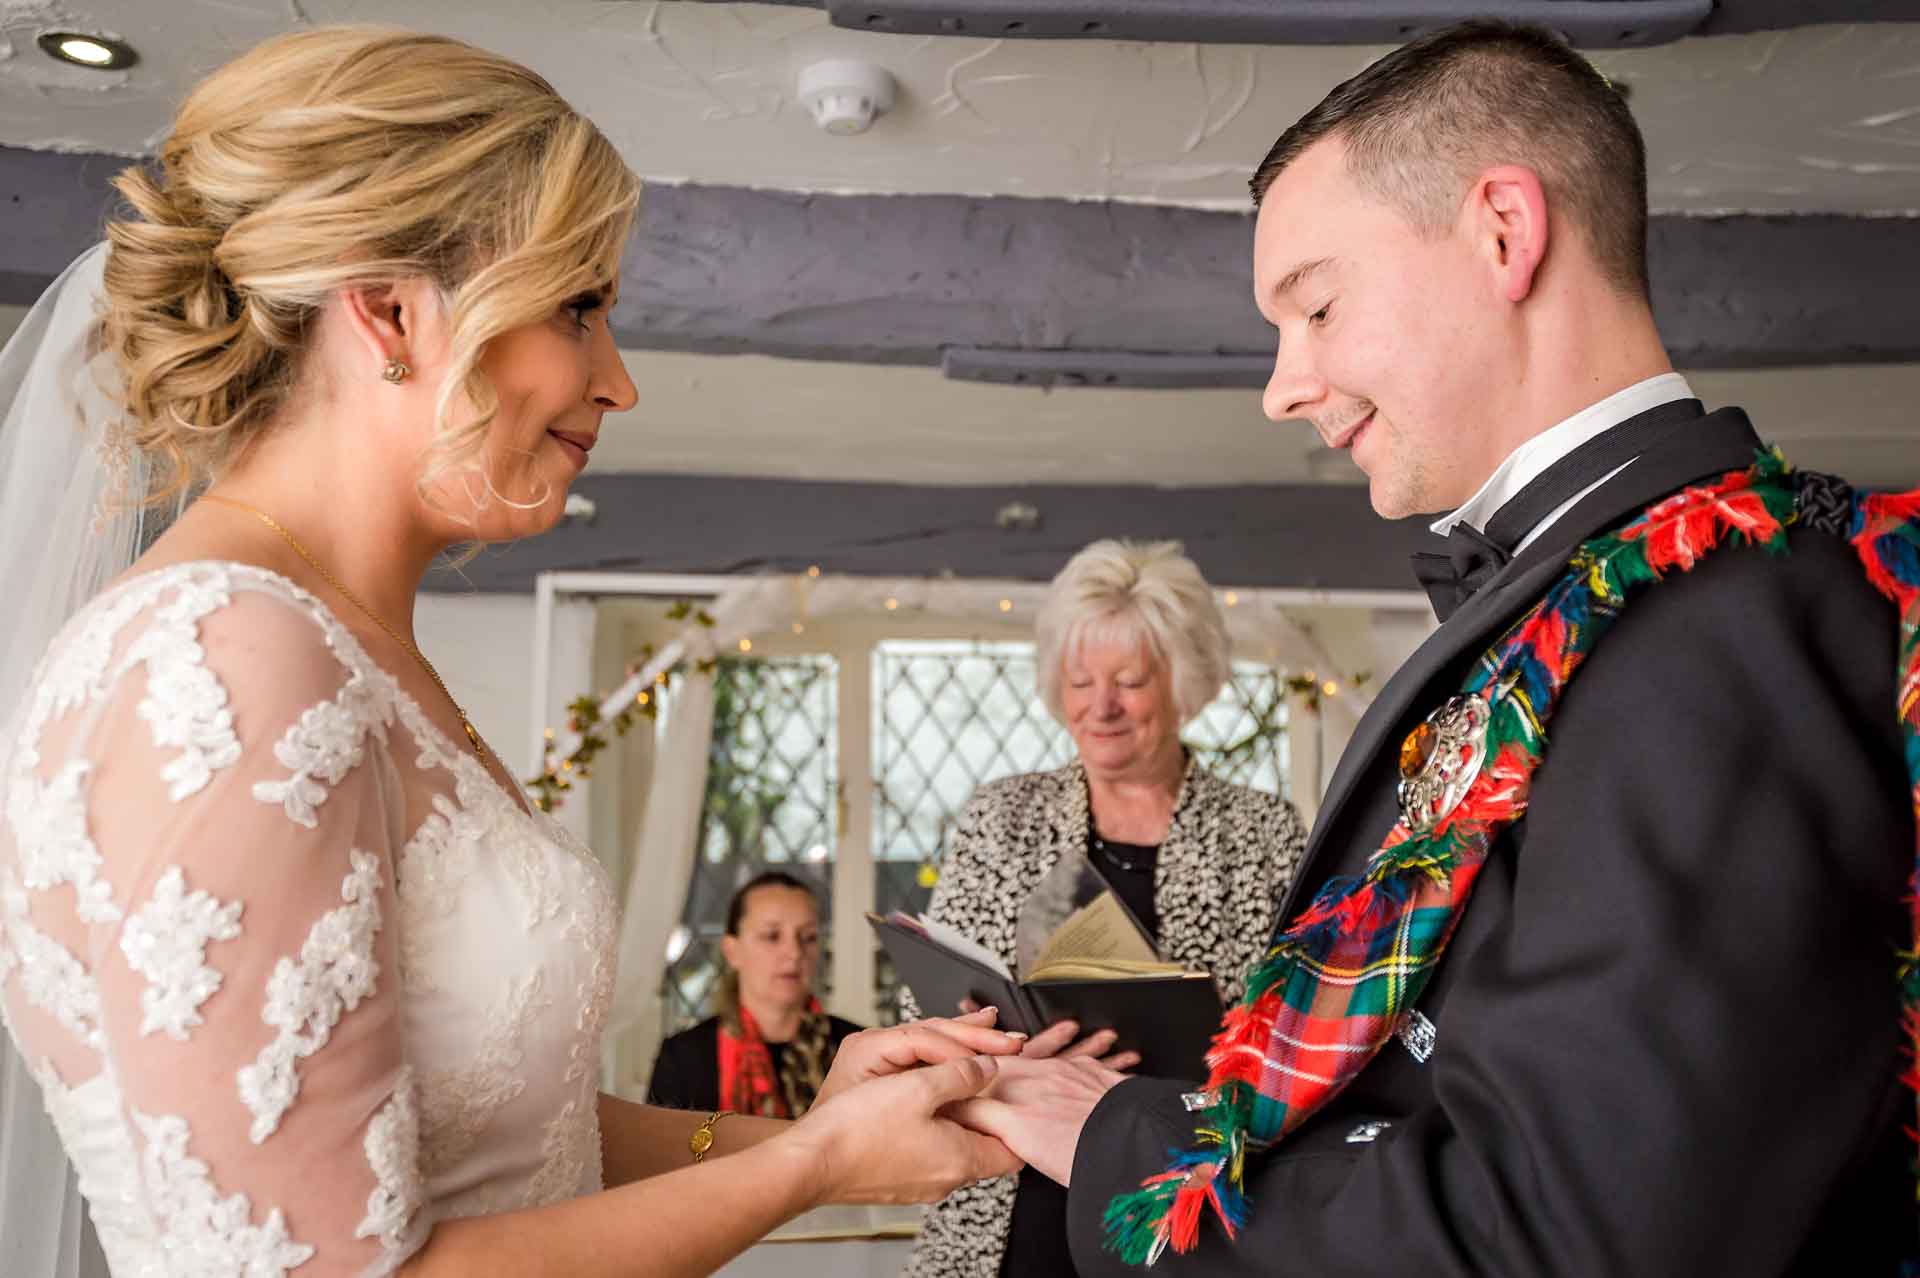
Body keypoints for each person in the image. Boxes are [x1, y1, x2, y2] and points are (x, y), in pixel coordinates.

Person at [0, 26, 1028, 1278]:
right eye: (578, 309)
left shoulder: (347, 652)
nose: (618, 380)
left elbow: (499, 1135)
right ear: (387, 309)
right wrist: (813, 1168)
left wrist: (814, 1121)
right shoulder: (224, 659)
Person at [955, 20, 1916, 1275]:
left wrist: (1129, 1144)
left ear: (1504, 233)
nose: (1282, 386)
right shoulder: (1609, 592)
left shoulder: (1713, 620)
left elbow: (1574, 1236)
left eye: (1316, 304)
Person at [902, 540, 1307, 1278]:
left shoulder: (1262, 830)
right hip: (1010, 1201)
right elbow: (924, 1014)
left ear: (1185, 682)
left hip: (1183, 1192)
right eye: (1080, 679)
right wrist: (1021, 1054)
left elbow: (1295, 1028)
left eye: (1129, 680)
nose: (1100, 706)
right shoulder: (1003, 818)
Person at [646, 872, 863, 1117]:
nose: (794, 953)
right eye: (772, 936)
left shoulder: (856, 1047)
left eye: (808, 937)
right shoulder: (683, 1058)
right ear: (732, 950)